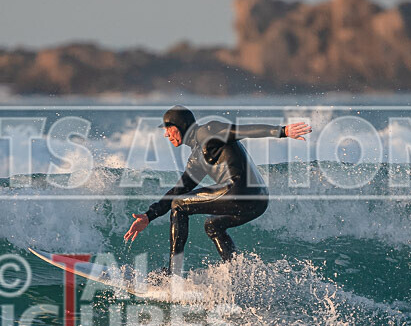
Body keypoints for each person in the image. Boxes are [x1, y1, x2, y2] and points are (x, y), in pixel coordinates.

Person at [123, 105, 311, 275]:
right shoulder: (196, 158)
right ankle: (236, 273)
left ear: (180, 126)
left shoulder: (207, 131)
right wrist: (149, 215)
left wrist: (282, 131)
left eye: (168, 129)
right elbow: (179, 189)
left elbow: (241, 131)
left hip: (239, 191)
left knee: (179, 205)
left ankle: (174, 273)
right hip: (258, 201)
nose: (166, 135)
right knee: (212, 225)